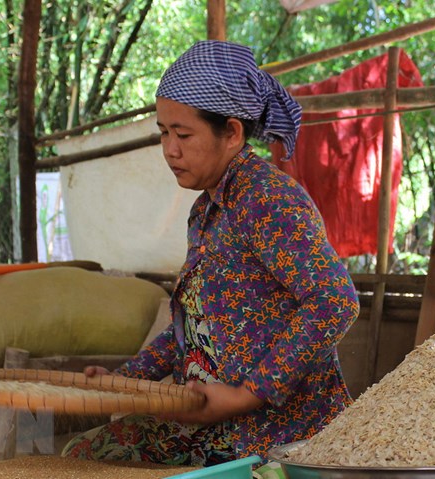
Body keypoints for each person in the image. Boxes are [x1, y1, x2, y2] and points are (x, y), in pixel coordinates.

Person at [62, 40, 359, 466]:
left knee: (90, 457)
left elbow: (335, 301)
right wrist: (124, 380)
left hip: (276, 434)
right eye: (164, 133)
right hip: (211, 425)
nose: (170, 149)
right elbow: (196, 326)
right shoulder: (206, 210)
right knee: (86, 453)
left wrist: (245, 394)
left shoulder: (268, 199)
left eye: (183, 134)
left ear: (232, 133)